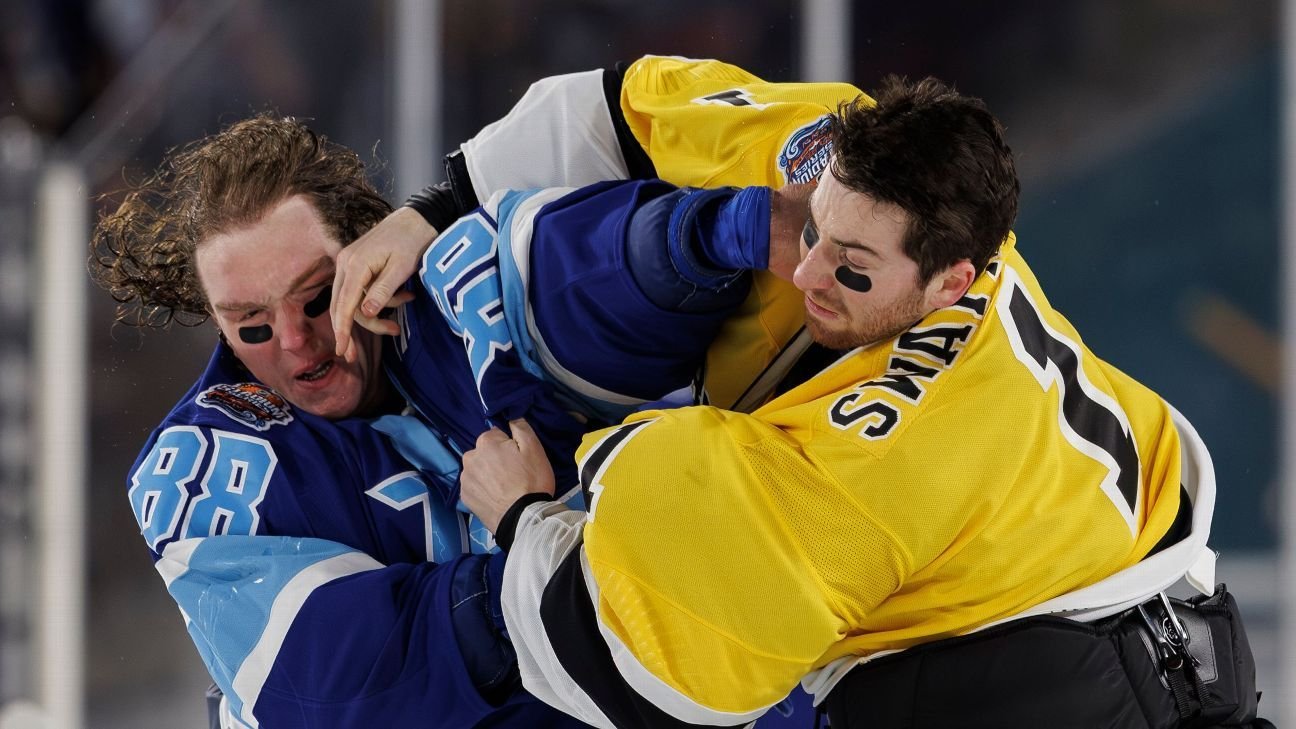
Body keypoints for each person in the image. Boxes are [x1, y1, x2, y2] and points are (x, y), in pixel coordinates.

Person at [457, 76, 1269, 728]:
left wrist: (524, 518)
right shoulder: (827, 152)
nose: (805, 270)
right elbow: (621, 103)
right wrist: (435, 208)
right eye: (813, 229)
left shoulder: (880, 460)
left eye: (853, 266)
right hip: (1180, 633)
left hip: (1066, 686)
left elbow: (653, 672)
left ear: (952, 280)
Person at [91, 56, 856, 727]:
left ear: (364, 245)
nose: (295, 343)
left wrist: (731, 231)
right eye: (250, 325)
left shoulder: (454, 284)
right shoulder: (204, 469)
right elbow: (343, 689)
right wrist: (557, 553)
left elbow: (575, 276)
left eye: (316, 296)